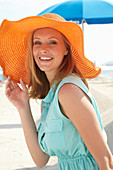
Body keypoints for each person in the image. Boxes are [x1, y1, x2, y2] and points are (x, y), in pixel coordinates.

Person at [0, 13, 113, 170]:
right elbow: (41, 159)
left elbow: (106, 161)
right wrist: (22, 107)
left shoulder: (68, 92)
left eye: (52, 42)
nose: (43, 49)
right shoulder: (51, 96)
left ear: (66, 49)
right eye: (37, 42)